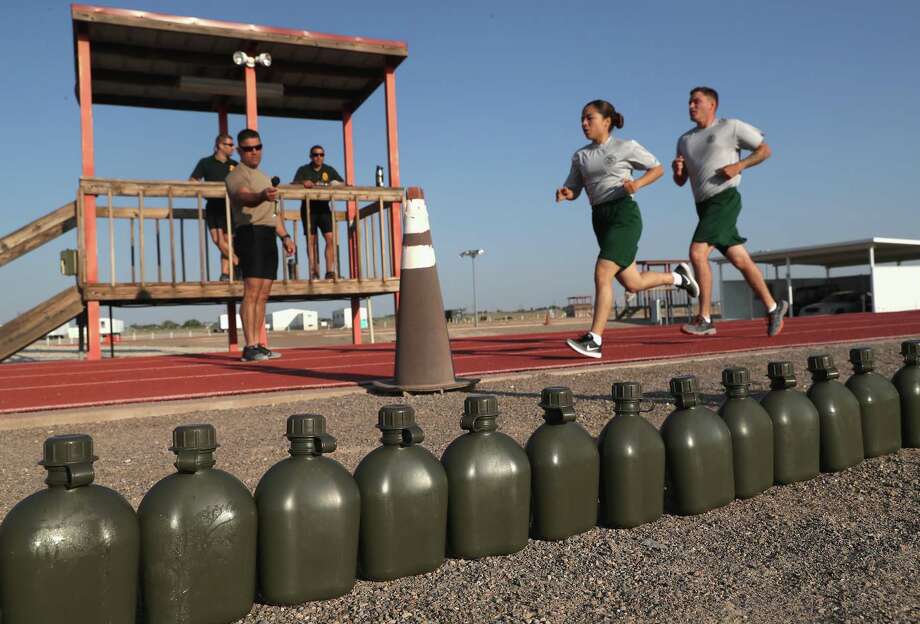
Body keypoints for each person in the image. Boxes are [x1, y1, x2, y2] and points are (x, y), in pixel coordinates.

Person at [557, 100, 700, 359]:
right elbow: (575, 188)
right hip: (600, 219)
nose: (584, 123)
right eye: (582, 119)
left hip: (624, 215)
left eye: (589, 118)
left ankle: (594, 339)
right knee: (633, 283)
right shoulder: (580, 156)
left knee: (603, 272)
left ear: (606, 121)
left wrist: (638, 184)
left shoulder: (625, 146)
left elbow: (657, 169)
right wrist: (567, 193)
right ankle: (679, 278)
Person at [672, 86, 788, 337]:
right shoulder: (684, 140)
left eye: (696, 102)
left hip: (724, 199)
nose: (691, 106)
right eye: (689, 102)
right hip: (703, 206)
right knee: (740, 259)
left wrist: (739, 165)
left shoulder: (730, 127)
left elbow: (764, 150)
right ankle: (773, 307)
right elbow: (680, 182)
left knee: (697, 253)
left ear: (712, 105)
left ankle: (705, 318)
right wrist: (677, 171)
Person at [225, 129, 296, 362]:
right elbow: (243, 196)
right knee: (252, 291)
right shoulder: (236, 175)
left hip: (268, 235)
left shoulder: (264, 177)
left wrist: (285, 237)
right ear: (239, 151)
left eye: (258, 147)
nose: (254, 152)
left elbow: (274, 214)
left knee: (264, 294)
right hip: (250, 233)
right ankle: (250, 346)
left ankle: (258, 344)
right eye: (248, 149)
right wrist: (261, 196)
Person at [189, 133, 238, 280]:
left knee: (227, 241)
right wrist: (204, 191)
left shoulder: (235, 165)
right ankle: (238, 262)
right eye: (230, 145)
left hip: (229, 207)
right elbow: (192, 180)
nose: (233, 147)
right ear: (220, 146)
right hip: (213, 205)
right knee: (217, 240)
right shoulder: (206, 162)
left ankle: (225, 273)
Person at [292, 145, 344, 279]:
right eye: (315, 155)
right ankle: (314, 271)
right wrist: (303, 183)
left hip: (324, 208)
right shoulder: (304, 170)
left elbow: (342, 183)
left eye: (321, 154)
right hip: (309, 209)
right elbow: (293, 184)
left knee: (330, 239)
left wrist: (334, 184)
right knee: (311, 241)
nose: (318, 157)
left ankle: (329, 271)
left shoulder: (329, 170)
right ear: (311, 157)